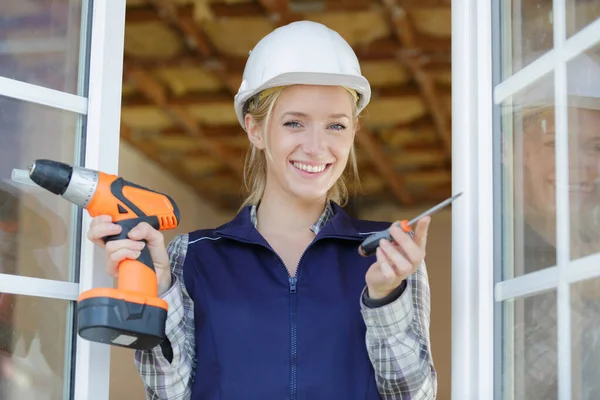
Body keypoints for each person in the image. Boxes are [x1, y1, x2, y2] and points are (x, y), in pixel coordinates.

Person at [87, 21, 437, 399]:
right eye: (294, 123)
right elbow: (168, 395)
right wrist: (158, 290)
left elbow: (413, 395)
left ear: (353, 131)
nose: (317, 146)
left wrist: (385, 297)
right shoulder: (194, 256)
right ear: (255, 130)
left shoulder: (388, 255)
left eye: (335, 126)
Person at [511, 51, 600, 400]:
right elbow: (507, 385)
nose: (581, 167)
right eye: (557, 144)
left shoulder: (591, 235)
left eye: (595, 147)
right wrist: (577, 298)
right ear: (511, 149)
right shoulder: (496, 250)